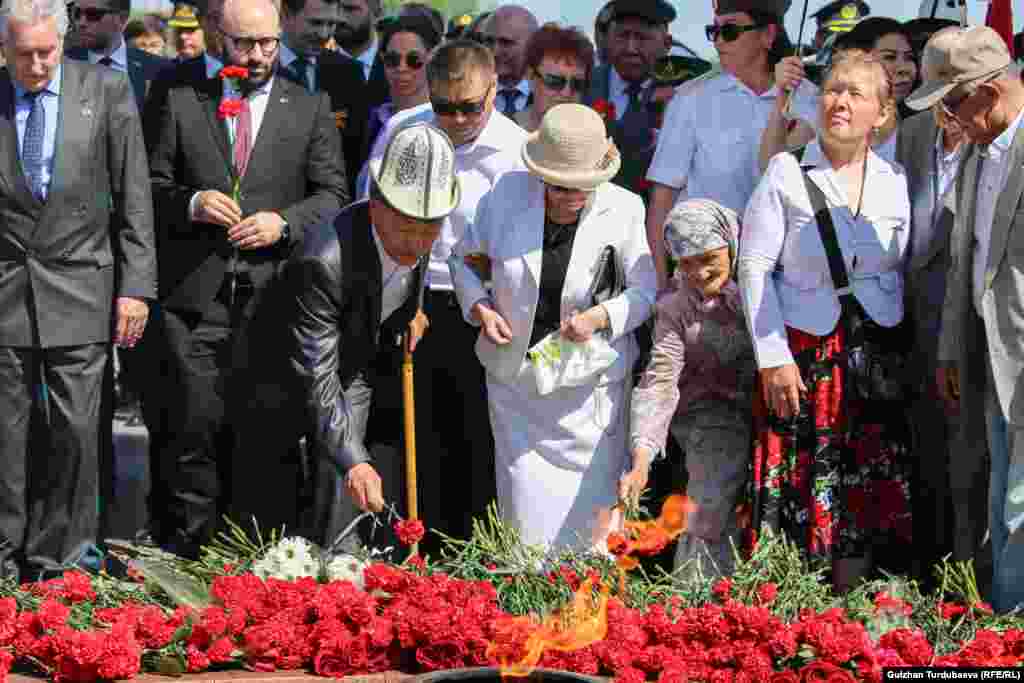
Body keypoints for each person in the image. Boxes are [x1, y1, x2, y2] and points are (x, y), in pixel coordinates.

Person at [145, 0, 348, 557]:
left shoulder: (307, 106)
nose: (256, 56)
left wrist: (283, 223)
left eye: (267, 44)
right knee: (192, 439)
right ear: (218, 37)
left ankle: (256, 565)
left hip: (271, 303)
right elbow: (148, 186)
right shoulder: (180, 97)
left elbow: (333, 194)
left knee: (265, 444)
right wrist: (192, 203)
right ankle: (187, 562)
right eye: (243, 44)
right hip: (195, 302)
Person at [739, 50, 912, 590]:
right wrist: (772, 358)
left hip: (872, 364)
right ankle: (795, 609)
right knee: (798, 488)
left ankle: (852, 613)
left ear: (882, 114)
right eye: (833, 89)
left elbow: (901, 269)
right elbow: (753, 266)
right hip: (801, 358)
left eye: (856, 93)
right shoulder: (786, 171)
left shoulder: (896, 179)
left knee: (864, 496)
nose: (839, 101)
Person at [450, 103, 657, 553]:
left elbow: (644, 294)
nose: (571, 196)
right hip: (517, 392)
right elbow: (462, 261)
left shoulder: (625, 208)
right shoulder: (506, 195)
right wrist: (481, 307)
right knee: (524, 525)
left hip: (591, 396)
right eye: (560, 186)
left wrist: (599, 318)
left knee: (593, 537)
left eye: (584, 186)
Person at [0, 0, 156, 580]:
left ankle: (62, 561)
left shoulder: (106, 91)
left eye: (46, 52)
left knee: (75, 433)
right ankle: (4, 556)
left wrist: (135, 287)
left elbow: (133, 193)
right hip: (7, 288)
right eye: (23, 55)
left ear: (63, 42)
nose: (37, 65)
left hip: (82, 284)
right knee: (7, 433)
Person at [363, 39, 527, 547]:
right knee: (412, 437)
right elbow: (373, 213)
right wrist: (396, 300)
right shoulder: (403, 129)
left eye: (470, 107)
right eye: (444, 106)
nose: (456, 120)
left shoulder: (516, 151)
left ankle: (471, 554)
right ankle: (412, 550)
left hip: (482, 308)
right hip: (410, 296)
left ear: (494, 91)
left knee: (474, 438)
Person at [289, 123, 457, 545]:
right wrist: (354, 461)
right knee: (336, 484)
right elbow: (317, 374)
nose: (417, 243)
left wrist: (411, 311)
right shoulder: (323, 260)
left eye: (430, 229)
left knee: (354, 490)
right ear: (376, 204)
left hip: (359, 362)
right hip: (302, 380)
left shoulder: (416, 231)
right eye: (407, 228)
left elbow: (408, 274)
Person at [908, 26, 1024, 613]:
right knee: (998, 499)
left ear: (991, 91)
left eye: (951, 103)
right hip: (988, 358)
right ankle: (1001, 629)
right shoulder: (981, 152)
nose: (946, 118)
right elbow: (964, 258)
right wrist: (952, 347)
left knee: (1019, 506)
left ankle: (1009, 635)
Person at [895, 27, 988, 589]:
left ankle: (973, 580)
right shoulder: (909, 135)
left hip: (976, 321)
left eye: (953, 99)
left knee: (973, 459)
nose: (946, 113)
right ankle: (931, 577)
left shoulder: (996, 137)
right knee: (924, 455)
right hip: (913, 321)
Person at [647, 0, 816, 289]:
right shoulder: (691, 99)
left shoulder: (811, 99)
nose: (718, 41)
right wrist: (661, 287)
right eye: (714, 31)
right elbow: (662, 200)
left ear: (768, 35)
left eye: (730, 31)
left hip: (791, 281)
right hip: (708, 279)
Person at [630, 200, 756, 579]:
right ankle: (702, 597)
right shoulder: (675, 305)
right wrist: (642, 458)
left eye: (709, 258)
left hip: (774, 411)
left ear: (732, 246)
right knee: (710, 508)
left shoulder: (763, 284)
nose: (699, 273)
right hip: (711, 416)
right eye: (686, 263)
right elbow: (660, 378)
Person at [759, 18, 916, 174]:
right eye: (889, 57)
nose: (903, 68)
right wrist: (783, 93)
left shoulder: (916, 129)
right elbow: (771, 169)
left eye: (909, 58)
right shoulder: (824, 114)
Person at [587, 0, 675, 198]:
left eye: (642, 38)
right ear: (607, 39)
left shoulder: (684, 94)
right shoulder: (581, 85)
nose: (631, 48)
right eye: (622, 36)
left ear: (667, 44)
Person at [280, 0, 369, 197]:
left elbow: (356, 154)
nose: (324, 33)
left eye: (331, 24)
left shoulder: (349, 73)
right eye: (316, 23)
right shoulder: (258, 71)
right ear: (285, 15)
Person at [357, 14, 440, 190]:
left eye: (414, 60)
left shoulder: (442, 121)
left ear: (432, 58)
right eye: (392, 60)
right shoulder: (375, 118)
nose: (402, 68)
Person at [65, 0, 171, 110]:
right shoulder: (61, 66)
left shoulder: (159, 69)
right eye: (76, 13)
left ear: (122, 19)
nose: (81, 23)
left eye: (93, 14)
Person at [512, 22, 593, 133]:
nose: (566, 93)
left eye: (578, 84)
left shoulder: (594, 135)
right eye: (555, 81)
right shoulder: (503, 133)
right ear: (530, 76)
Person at [486, 5, 538, 117]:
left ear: (532, 45)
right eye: (489, 41)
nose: (494, 52)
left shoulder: (552, 93)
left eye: (506, 42)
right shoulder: (469, 94)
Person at [335, 0, 387, 107]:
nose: (339, 18)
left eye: (350, 9)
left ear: (376, 11)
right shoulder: (313, 65)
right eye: (334, 9)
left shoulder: (399, 62)